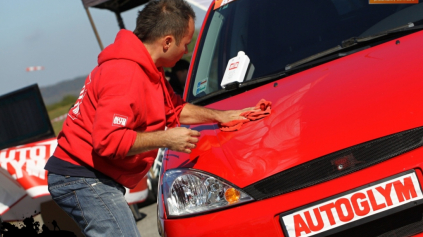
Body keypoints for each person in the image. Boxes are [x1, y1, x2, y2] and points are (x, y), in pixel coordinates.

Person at [44, 0, 254, 236]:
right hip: (81, 176)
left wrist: (221, 116)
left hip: (88, 174)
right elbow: (108, 141)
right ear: (167, 42)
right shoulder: (124, 73)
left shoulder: (149, 70)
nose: (186, 51)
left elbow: (174, 108)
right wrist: (167, 139)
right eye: (185, 44)